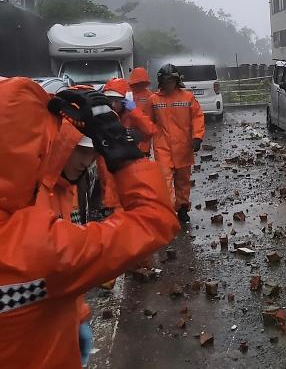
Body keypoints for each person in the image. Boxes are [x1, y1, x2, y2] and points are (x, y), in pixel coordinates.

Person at [0, 77, 179, 368]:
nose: (86, 161)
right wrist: (122, 151)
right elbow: (153, 220)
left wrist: (76, 313)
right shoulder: (34, 246)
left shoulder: (43, 208)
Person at [35, 121, 97, 367]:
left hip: (62, 317)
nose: (87, 160)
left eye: (92, 153)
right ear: (62, 145)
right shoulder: (31, 193)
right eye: (81, 150)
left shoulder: (65, 190)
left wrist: (78, 314)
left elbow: (67, 261)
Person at [149, 64, 205, 223]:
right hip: (163, 147)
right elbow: (146, 122)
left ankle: (182, 209)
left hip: (183, 146)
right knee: (165, 181)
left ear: (176, 81)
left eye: (170, 81)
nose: (168, 85)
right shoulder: (154, 100)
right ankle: (168, 211)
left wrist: (197, 137)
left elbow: (197, 117)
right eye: (165, 81)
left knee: (183, 180)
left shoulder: (188, 98)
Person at [97, 78, 157, 213]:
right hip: (110, 190)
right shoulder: (101, 118)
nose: (112, 104)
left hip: (129, 182)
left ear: (125, 101)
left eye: (116, 101)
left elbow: (150, 130)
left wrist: (135, 112)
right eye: (109, 100)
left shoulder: (132, 117)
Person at [128, 67, 155, 156]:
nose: (139, 84)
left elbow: (151, 120)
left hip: (144, 137)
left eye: (141, 82)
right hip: (128, 136)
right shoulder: (126, 94)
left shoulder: (150, 96)